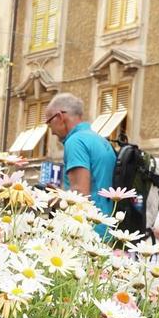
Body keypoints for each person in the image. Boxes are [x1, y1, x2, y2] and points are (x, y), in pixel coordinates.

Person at [42, 93, 115, 224]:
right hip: (106, 224)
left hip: (88, 229)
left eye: (49, 123)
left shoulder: (75, 142)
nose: (51, 132)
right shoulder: (100, 140)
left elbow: (80, 195)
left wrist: (50, 198)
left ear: (59, 117)